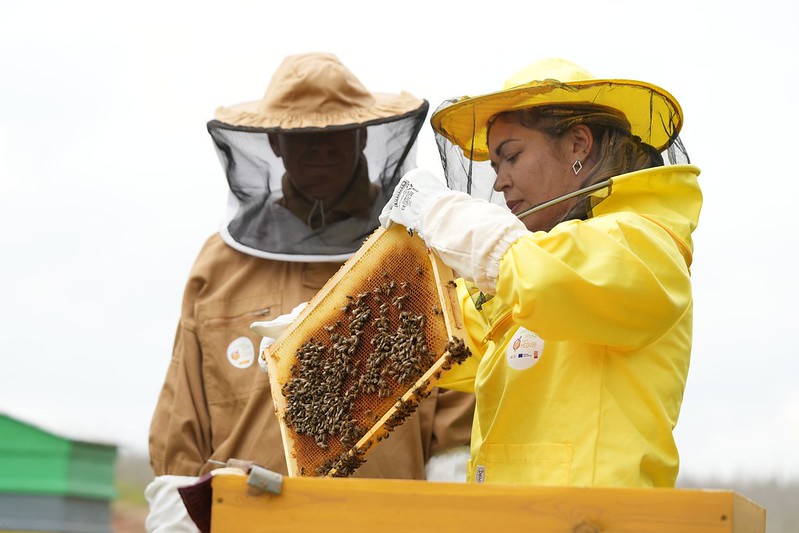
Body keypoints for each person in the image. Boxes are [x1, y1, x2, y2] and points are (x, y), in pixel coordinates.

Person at [145, 52, 475, 531]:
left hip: (385, 521)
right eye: (302, 136)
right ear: (274, 142)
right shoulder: (218, 265)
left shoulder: (420, 249)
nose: (320, 149)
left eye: (336, 133)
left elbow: (457, 414)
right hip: (247, 521)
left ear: (363, 135)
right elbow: (182, 418)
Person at [380, 58, 702, 488]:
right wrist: (322, 332)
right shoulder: (519, 275)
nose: (500, 182)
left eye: (512, 157)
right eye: (495, 167)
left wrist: (442, 214)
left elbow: (543, 276)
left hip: (598, 515)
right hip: (511, 514)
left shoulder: (643, 245)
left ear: (578, 145)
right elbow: (431, 339)